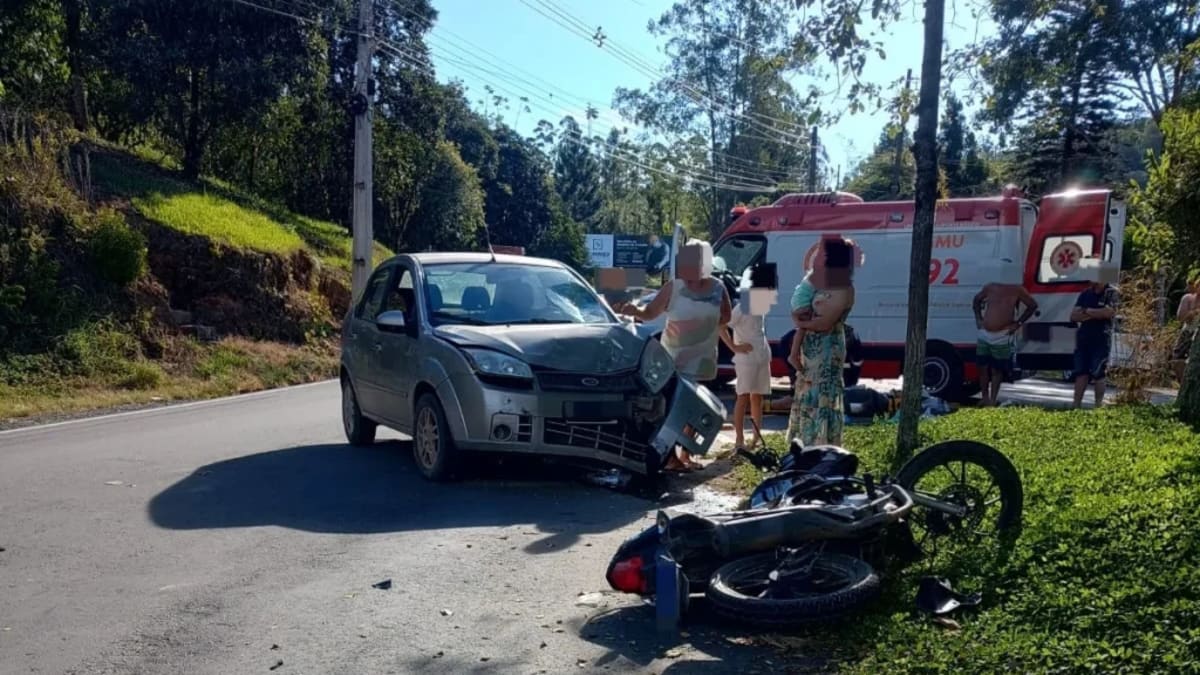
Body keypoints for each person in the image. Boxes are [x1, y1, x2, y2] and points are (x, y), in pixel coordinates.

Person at [615, 240, 731, 471]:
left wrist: (704, 326)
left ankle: (686, 454)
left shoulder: (718, 288)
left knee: (695, 407)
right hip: (672, 359)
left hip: (702, 359)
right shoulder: (674, 287)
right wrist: (634, 310)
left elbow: (726, 316)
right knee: (671, 407)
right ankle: (670, 457)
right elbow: (649, 313)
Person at [785, 237, 856, 447]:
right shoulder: (821, 282)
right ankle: (803, 443)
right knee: (807, 392)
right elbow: (802, 306)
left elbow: (825, 323)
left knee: (822, 392)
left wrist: (802, 323)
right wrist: (802, 321)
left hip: (828, 349)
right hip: (810, 351)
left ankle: (821, 442)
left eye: (824, 255)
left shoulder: (844, 289)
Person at [720, 265, 774, 453]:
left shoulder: (760, 305)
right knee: (742, 397)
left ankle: (756, 438)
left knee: (757, 397)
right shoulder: (741, 307)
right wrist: (734, 347)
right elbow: (721, 326)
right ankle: (739, 439)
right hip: (746, 359)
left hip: (761, 355)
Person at [972, 283, 1038, 406]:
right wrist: (978, 318)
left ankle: (992, 400)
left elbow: (1032, 305)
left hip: (1003, 334)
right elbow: (976, 300)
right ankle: (985, 397)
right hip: (985, 333)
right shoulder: (990, 287)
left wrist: (1018, 323)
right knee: (982, 368)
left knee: (997, 369)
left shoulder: (1017, 290)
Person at [1070, 278, 1119, 409]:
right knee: (1081, 372)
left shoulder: (1112, 293)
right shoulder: (1085, 293)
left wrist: (1086, 311)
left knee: (1099, 373)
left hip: (1101, 338)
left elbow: (1108, 313)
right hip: (1083, 338)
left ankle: (1098, 406)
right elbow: (1074, 316)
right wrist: (1096, 313)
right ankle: (1076, 405)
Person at [1172, 279, 1199, 382]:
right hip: (1188, 332)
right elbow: (1181, 317)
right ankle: (1183, 383)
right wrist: (1192, 313)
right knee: (1177, 358)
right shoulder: (1188, 298)